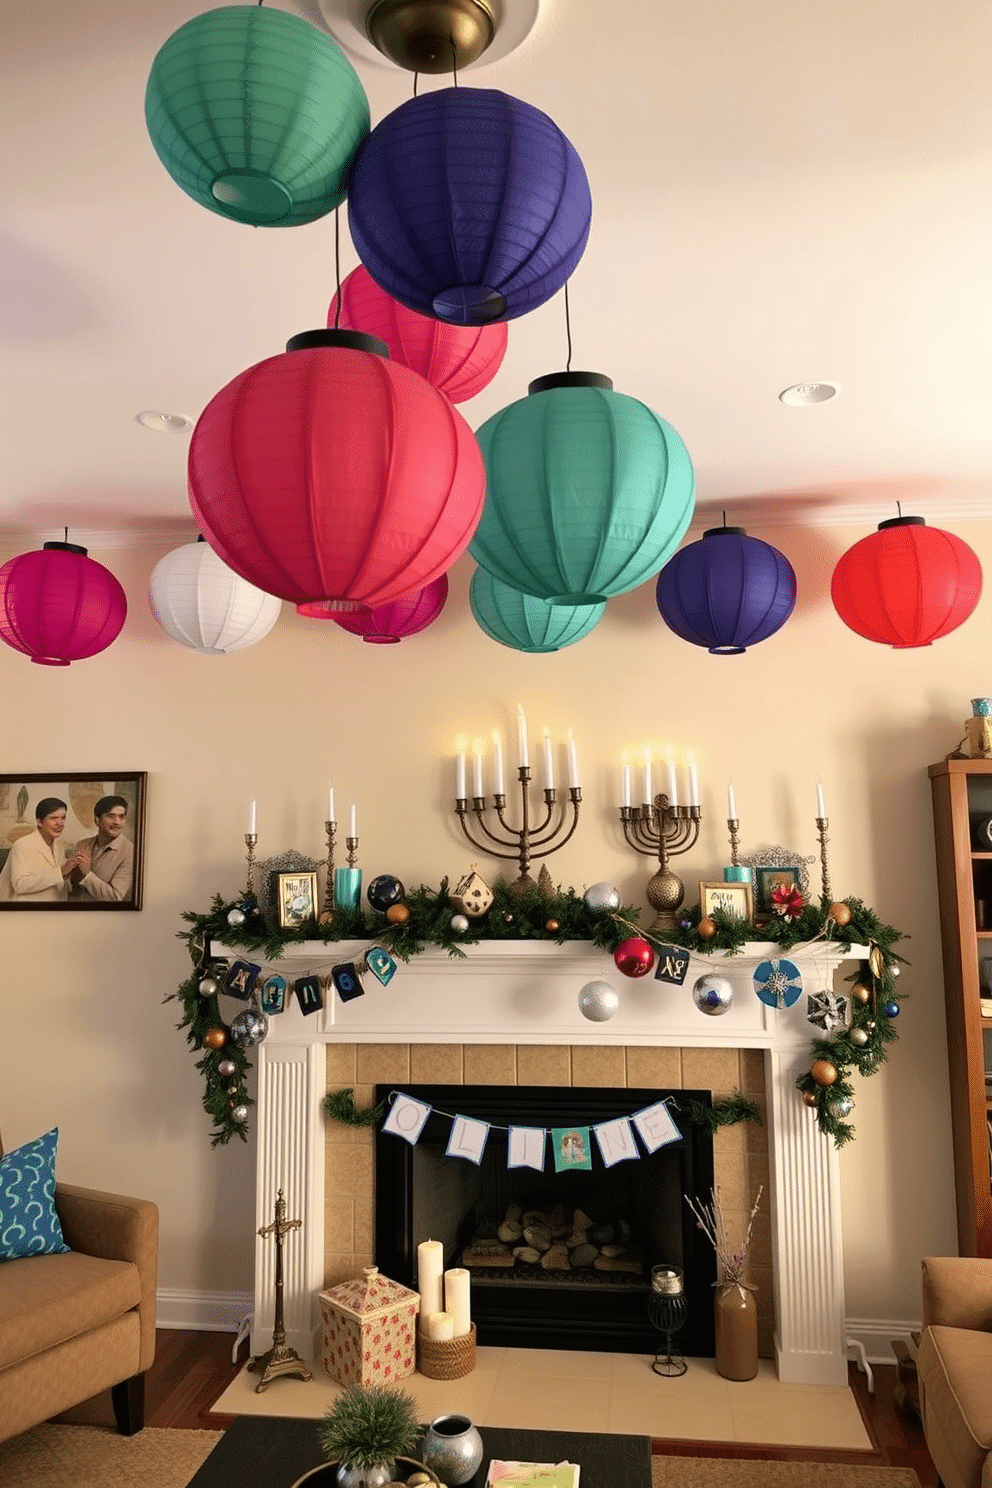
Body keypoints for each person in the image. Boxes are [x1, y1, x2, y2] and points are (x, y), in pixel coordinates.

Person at [0, 797, 76, 901]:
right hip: (25, 911)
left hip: (55, 910)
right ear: (39, 822)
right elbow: (20, 885)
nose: (60, 823)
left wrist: (69, 873)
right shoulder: (22, 845)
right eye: (53, 818)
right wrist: (60, 872)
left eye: (63, 817)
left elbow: (60, 885)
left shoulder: (59, 846)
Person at [68, 794, 134, 902]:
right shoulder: (82, 844)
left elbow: (115, 898)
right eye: (111, 816)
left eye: (121, 817)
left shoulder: (130, 852)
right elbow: (69, 888)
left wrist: (87, 874)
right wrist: (70, 875)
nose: (117, 822)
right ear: (97, 820)